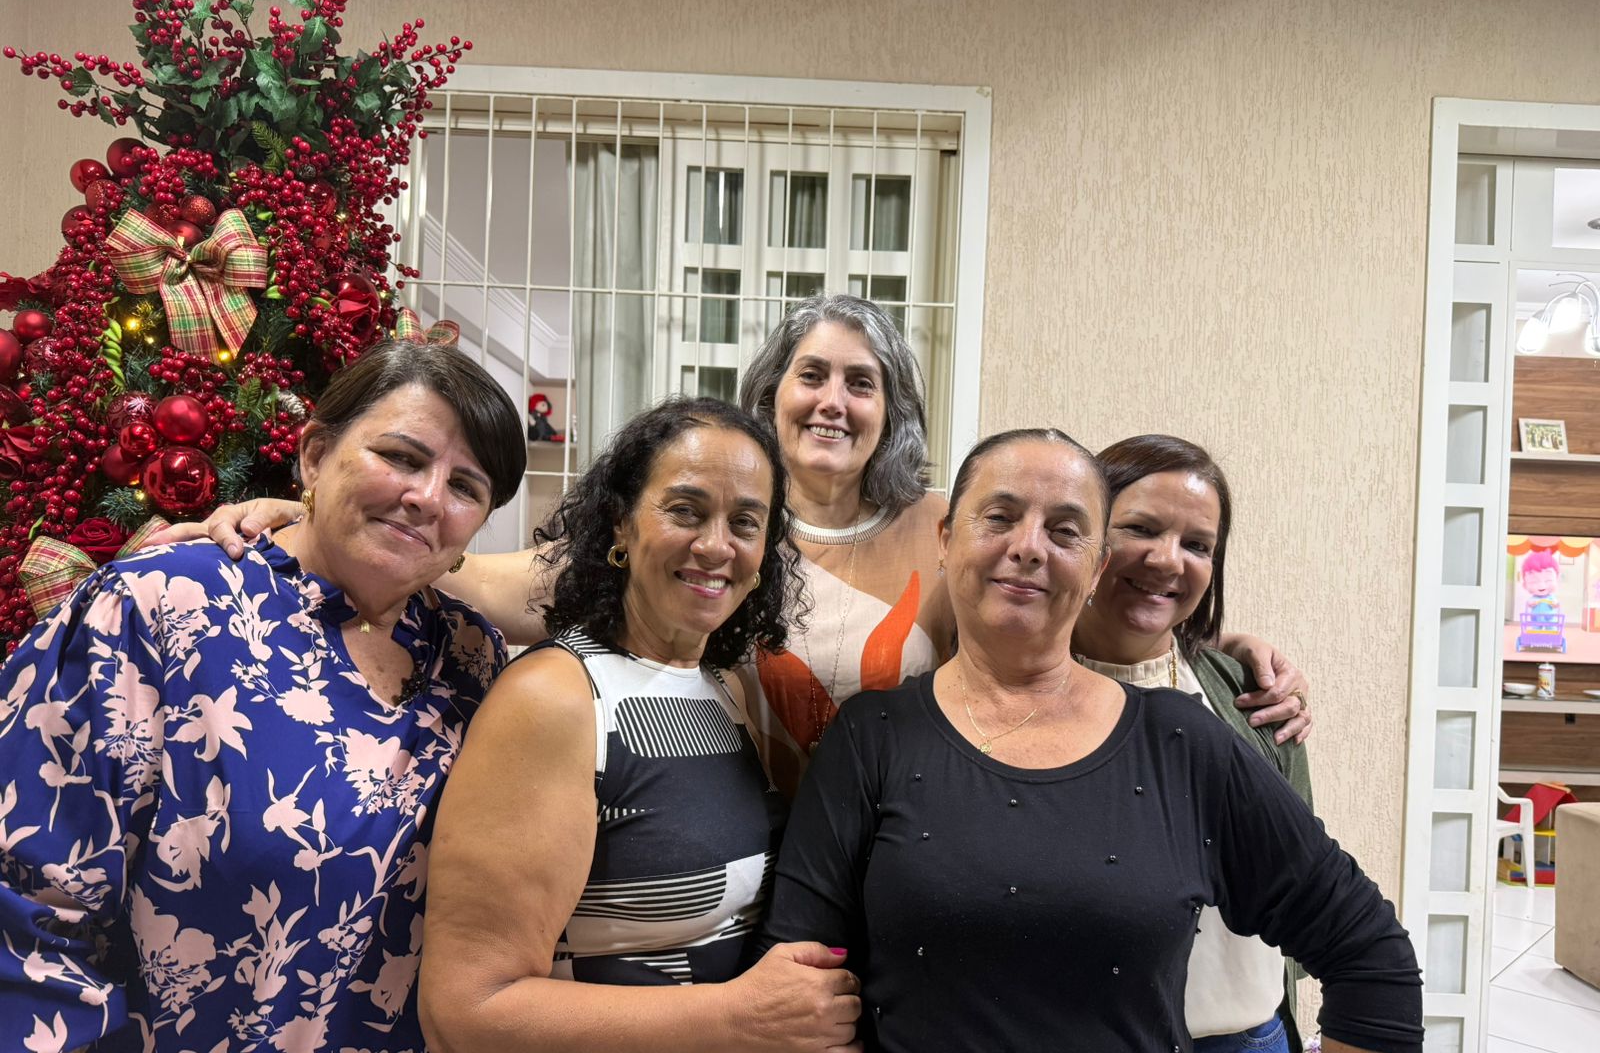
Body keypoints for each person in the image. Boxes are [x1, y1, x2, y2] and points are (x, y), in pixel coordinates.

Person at [157, 297, 1314, 796]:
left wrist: (1227, 649)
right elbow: (503, 582)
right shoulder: (705, 531)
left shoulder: (943, 531)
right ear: (771, 391)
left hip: (893, 866)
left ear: (892, 407)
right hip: (706, 852)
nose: (833, 400)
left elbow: (1056, 635)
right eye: (811, 374)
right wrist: (301, 526)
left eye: (861, 382)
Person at [758, 428, 1422, 1053]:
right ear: (946, 540)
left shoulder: (1183, 742)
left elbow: (1373, 959)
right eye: (1000, 516)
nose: (1029, 546)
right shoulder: (872, 740)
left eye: (1066, 530)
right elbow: (790, 1006)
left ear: (1097, 565)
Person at [0, 339, 525, 1053]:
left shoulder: (475, 664)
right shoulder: (155, 609)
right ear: (316, 455)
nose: (426, 497)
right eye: (400, 456)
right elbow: (22, 942)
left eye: (466, 486)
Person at [416, 397, 862, 1053]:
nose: (716, 545)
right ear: (620, 525)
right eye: (686, 509)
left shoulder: (717, 688)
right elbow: (465, 1013)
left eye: (746, 522)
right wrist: (737, 1018)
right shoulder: (557, 699)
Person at [1070, 434, 1313, 1053]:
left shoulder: (1251, 695)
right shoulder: (1015, 694)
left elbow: (1298, 887)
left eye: (1197, 543)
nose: (1169, 559)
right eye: (1140, 529)